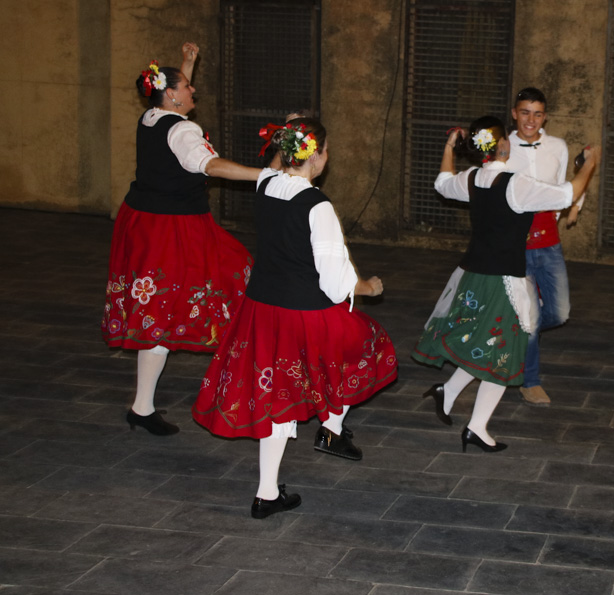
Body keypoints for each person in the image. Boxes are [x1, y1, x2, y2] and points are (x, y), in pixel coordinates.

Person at [192, 118, 398, 519]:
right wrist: (368, 287)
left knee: (278, 398)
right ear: (316, 155)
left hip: (262, 309)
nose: (327, 157)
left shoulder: (267, 184)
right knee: (367, 345)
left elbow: (275, 166)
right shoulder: (316, 205)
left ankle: (269, 490)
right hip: (302, 312)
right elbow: (335, 278)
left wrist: (287, 139)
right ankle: (332, 429)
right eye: (326, 149)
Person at [102, 43, 262, 436]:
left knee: (161, 306)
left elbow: (173, 103)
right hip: (174, 229)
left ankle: (144, 406)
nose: (195, 92)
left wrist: (187, 64)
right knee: (238, 279)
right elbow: (209, 164)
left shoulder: (151, 116)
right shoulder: (183, 129)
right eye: (188, 86)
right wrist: (267, 177)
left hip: (144, 222)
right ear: (171, 93)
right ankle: (249, 372)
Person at [414, 116, 598, 452]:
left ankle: (449, 393)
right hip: (503, 280)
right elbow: (567, 194)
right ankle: (477, 427)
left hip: (472, 276)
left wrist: (448, 148)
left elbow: (442, 182)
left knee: (482, 342)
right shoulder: (516, 184)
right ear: (503, 145)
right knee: (502, 353)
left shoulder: (470, 179)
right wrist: (589, 165)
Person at [506, 87, 584, 406]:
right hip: (514, 241)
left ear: (545, 116)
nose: (531, 120)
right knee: (533, 316)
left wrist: (575, 204)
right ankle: (530, 380)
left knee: (560, 311)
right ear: (515, 113)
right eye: (525, 112)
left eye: (537, 114)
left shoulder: (557, 146)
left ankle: (519, 331)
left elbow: (565, 184)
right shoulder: (503, 146)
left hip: (548, 240)